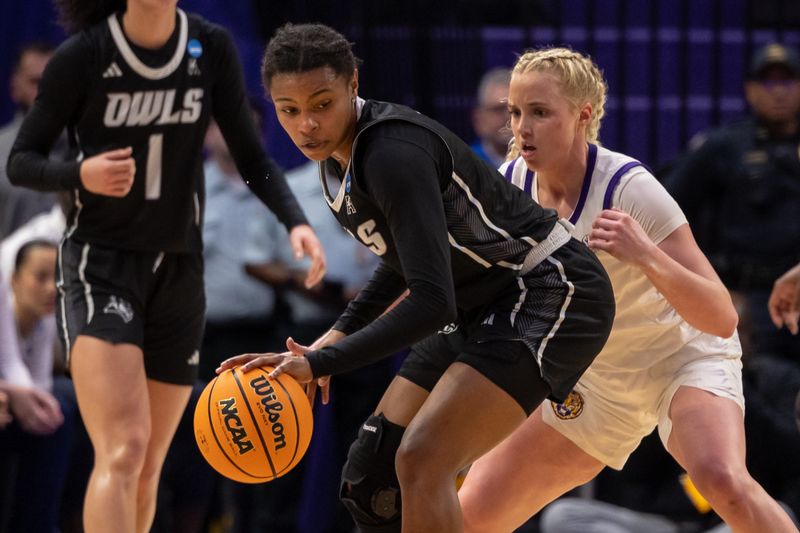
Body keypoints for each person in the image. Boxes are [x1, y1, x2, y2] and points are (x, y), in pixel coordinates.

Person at [218, 23, 615, 533]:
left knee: (423, 459)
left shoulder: (390, 154)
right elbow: (401, 260)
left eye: (321, 104)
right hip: (482, 300)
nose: (307, 125)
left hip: (546, 289)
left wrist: (323, 361)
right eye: (288, 110)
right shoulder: (336, 160)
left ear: (352, 84)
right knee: (371, 475)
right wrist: (327, 343)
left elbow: (431, 302)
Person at [5, 2, 326, 533]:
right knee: (124, 448)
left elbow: (251, 155)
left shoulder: (210, 47)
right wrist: (80, 172)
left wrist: (295, 221)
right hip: (102, 264)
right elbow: (22, 160)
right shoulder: (83, 56)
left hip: (178, 270)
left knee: (150, 461)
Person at [456, 47, 798, 533]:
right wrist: (332, 347)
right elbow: (435, 279)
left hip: (680, 356)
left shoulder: (627, 185)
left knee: (720, 478)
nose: (521, 128)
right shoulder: (508, 189)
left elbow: (721, 316)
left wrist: (647, 255)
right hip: (596, 378)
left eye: (539, 112)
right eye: (514, 112)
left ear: (582, 115)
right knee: (469, 516)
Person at [664, 42, 800, 359]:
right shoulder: (725, 145)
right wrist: (709, 281)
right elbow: (667, 208)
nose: (778, 91)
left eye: (788, 81)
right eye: (768, 82)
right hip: (749, 297)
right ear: (750, 91)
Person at [0, 240, 78, 533]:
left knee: (58, 417)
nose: (50, 288)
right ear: (14, 279)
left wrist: (33, 403)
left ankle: (40, 524)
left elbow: (22, 372)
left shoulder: (44, 323)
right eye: (40, 277)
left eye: (56, 278)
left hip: (9, 405)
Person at [0, 42, 58, 240]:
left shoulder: (85, 151)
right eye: (35, 82)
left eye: (53, 81)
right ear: (15, 86)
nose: (45, 91)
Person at [469, 67, 513, 168]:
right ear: (478, 120)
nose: (508, 117)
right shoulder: (464, 166)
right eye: (498, 109)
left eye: (515, 110)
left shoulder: (544, 164)